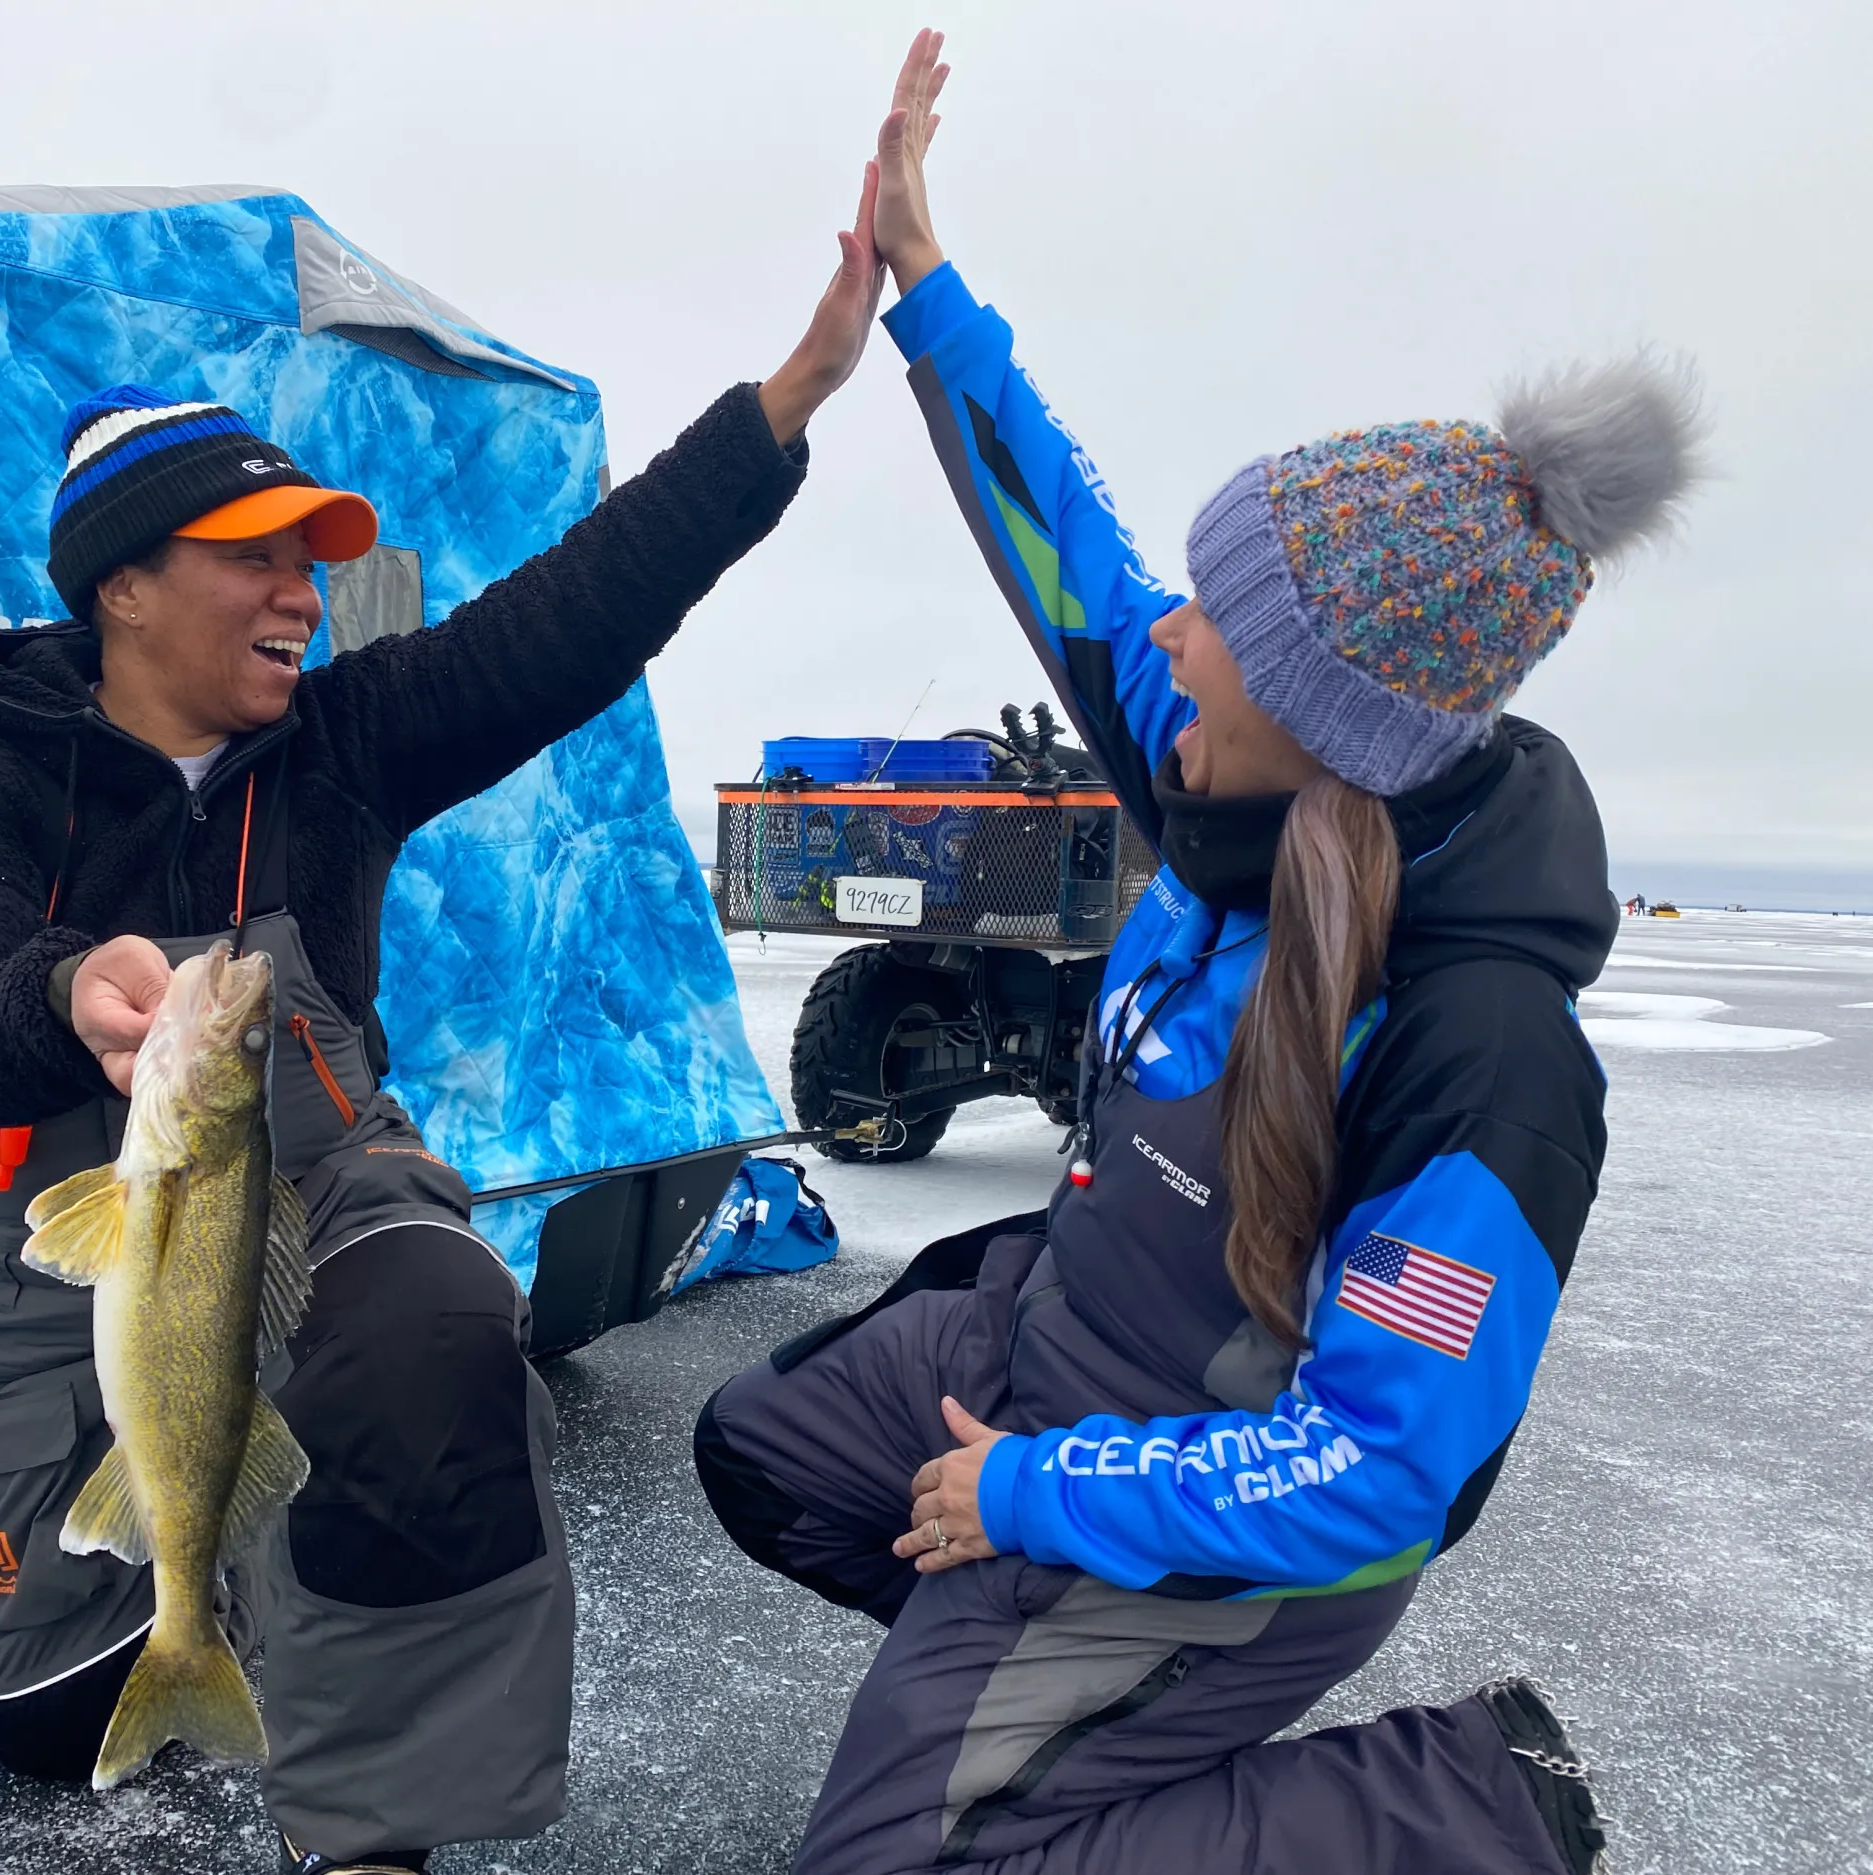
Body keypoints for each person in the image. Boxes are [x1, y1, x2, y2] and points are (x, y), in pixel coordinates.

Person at [695, 32, 1702, 1875]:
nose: (1176, 632)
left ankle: (1458, 1806)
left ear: (1332, 714)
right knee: (761, 1448)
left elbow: (1380, 1468)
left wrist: (1033, 1493)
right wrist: (925, 278)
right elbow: (1065, 535)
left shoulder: (1483, 1052)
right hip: (1065, 1348)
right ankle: (1029, 1713)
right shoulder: (1223, 767)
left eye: (1225, 620)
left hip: (1234, 1502)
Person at [0, 172, 889, 1875]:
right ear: (119, 585)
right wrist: (57, 995)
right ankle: (250, 1577)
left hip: (315, 1195)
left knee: (426, 1327)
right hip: (61, 1255)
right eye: (253, 556)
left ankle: (376, 1832)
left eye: (313, 560)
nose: (303, 592)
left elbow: (577, 612)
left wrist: (788, 406)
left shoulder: (347, 742)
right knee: (53, 1722)